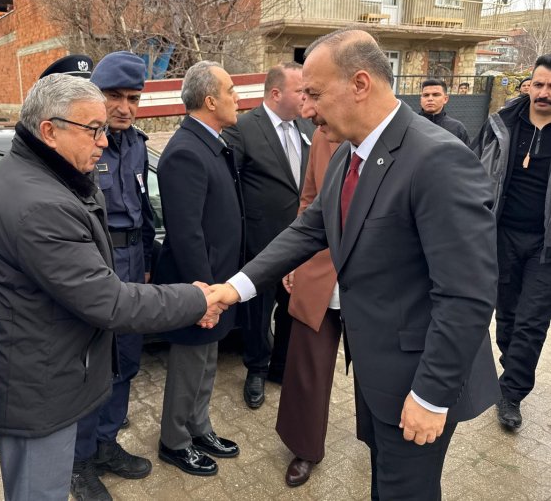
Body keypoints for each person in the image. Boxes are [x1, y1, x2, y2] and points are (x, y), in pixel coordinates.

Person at [211, 29, 500, 500]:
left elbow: (467, 294)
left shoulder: (438, 159)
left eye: (315, 94)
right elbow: (309, 229)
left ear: (360, 84)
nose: (306, 109)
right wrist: (235, 287)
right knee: (384, 482)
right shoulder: (350, 152)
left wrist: (431, 396)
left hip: (419, 378)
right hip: (377, 370)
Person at [0, 74, 224, 501]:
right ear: (49, 131)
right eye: (93, 129)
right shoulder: (39, 203)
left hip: (45, 369)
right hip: (38, 389)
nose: (104, 142)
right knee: (39, 493)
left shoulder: (43, 175)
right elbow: (109, 302)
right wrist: (198, 298)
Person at [71, 51, 155, 500]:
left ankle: (105, 443)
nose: (124, 107)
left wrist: (146, 261)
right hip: (96, 263)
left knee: (126, 358)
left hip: (132, 263)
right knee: (93, 366)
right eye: (114, 96)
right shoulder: (81, 144)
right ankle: (79, 461)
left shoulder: (138, 144)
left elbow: (142, 211)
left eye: (133, 98)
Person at [155, 61, 244, 477]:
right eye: (230, 91)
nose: (237, 98)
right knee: (190, 363)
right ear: (210, 100)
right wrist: (205, 295)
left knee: (207, 361)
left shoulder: (211, 142)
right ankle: (174, 441)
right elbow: (186, 233)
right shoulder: (186, 151)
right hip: (198, 285)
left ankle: (198, 427)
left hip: (217, 281)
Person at [222, 61, 314, 409]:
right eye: (300, 90)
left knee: (291, 310)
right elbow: (230, 190)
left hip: (299, 245)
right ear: (276, 93)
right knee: (257, 314)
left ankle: (280, 368)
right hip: (259, 246)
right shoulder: (244, 128)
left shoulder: (307, 126)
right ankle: (256, 369)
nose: (306, 97)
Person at [472, 55, 551, 431]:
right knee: (506, 315)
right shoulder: (501, 124)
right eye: (539, 84)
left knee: (533, 320)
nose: (545, 92)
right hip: (501, 235)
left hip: (546, 246)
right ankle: (512, 366)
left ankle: (512, 393)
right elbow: (473, 170)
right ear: (529, 85)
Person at [276, 126, 341, 488]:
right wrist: (295, 259)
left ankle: (383, 441)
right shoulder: (321, 135)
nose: (307, 109)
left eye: (316, 98)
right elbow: (309, 200)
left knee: (379, 368)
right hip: (318, 269)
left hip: (373, 278)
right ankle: (304, 446)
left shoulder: (399, 135)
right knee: (307, 366)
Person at [419, 78, 470, 145]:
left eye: (436, 95)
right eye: (426, 95)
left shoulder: (457, 128)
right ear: (421, 99)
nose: (430, 99)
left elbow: (465, 151)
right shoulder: (410, 125)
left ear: (445, 99)